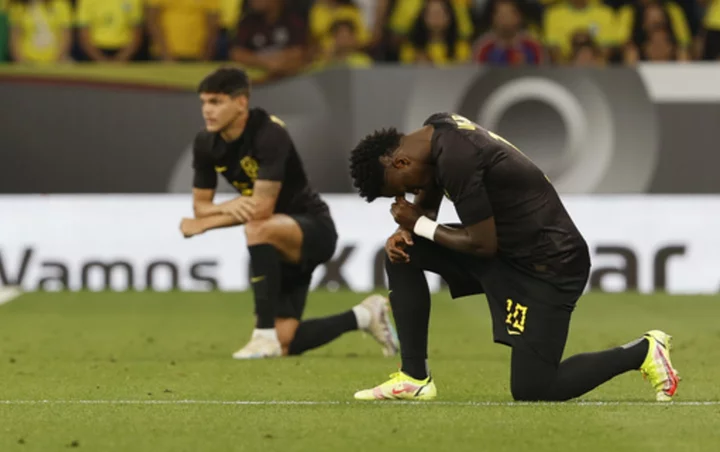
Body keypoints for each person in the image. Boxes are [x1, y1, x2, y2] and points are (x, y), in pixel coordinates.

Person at [347, 112, 680, 402]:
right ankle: (414, 378)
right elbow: (432, 185)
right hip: (510, 251)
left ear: (401, 162)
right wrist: (410, 229)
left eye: (399, 188)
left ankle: (644, 351)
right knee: (402, 252)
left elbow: (482, 244)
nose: (405, 197)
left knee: (534, 388)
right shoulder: (438, 132)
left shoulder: (458, 158)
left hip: (549, 265)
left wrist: (417, 222)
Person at [180, 67, 399, 360]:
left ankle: (262, 334)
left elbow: (261, 209)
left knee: (257, 227)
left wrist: (205, 224)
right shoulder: (205, 143)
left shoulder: (268, 133)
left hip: (312, 228)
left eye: (216, 102)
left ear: (241, 102)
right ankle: (364, 315)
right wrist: (222, 208)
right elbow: (201, 206)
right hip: (275, 248)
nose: (207, 110)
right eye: (204, 102)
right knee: (286, 342)